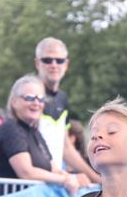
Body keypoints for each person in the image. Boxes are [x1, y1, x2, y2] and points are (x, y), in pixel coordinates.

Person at [0, 75, 80, 195]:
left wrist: (72, 178)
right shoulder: (10, 128)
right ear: (14, 102)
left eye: (41, 99)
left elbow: (53, 168)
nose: (36, 103)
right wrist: (64, 180)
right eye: (29, 98)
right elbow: (26, 172)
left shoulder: (35, 131)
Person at [33, 37, 99, 185]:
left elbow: (66, 148)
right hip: (32, 182)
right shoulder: (29, 95)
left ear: (67, 64)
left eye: (59, 60)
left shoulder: (62, 98)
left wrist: (97, 179)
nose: (54, 65)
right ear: (37, 63)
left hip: (54, 182)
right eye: (47, 60)